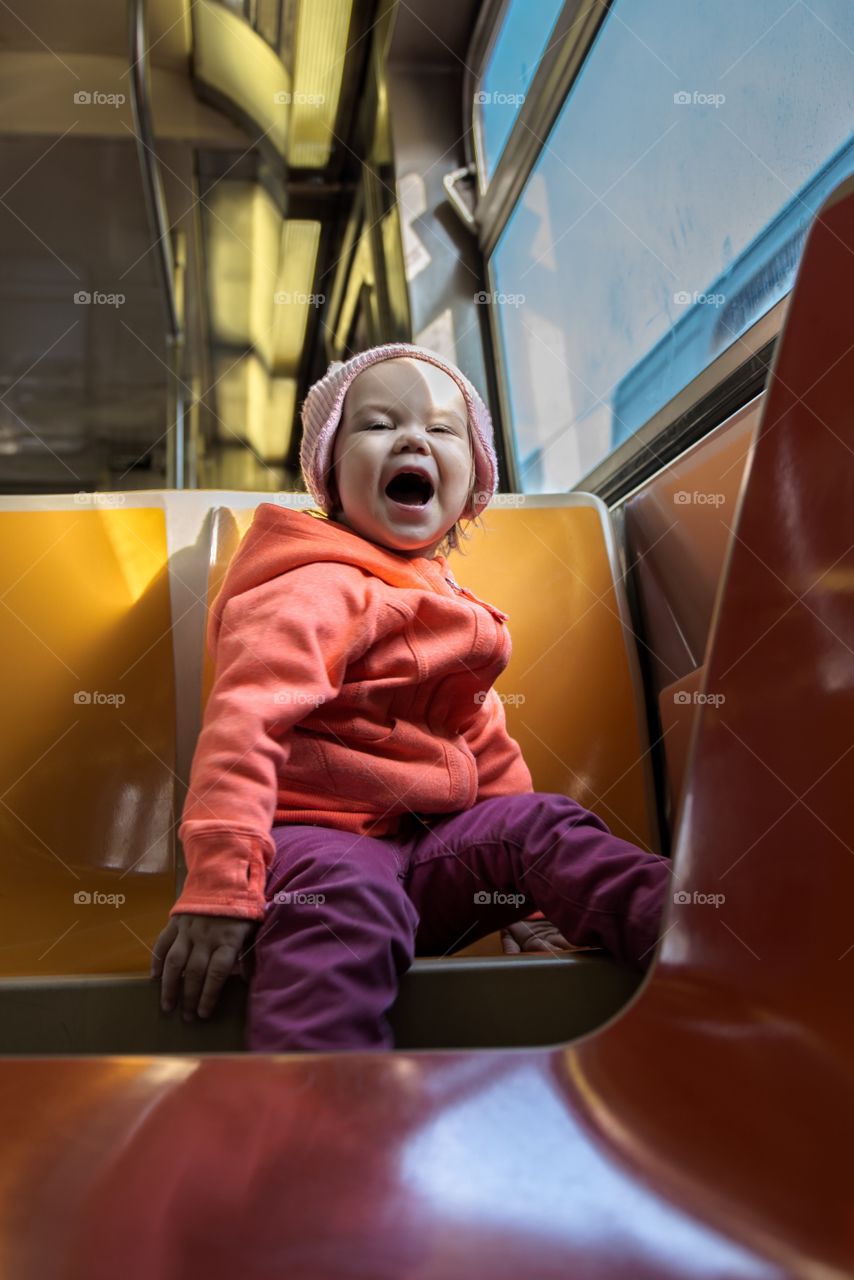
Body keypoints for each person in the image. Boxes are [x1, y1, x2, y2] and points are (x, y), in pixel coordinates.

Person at [151, 343, 670, 1051]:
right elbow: (246, 723)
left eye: (442, 429)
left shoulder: (452, 606)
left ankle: (712, 947)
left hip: (422, 862)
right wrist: (220, 884)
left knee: (547, 824)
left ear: (471, 485)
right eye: (377, 424)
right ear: (330, 474)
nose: (412, 437)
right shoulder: (311, 584)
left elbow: (481, 741)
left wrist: (522, 899)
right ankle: (316, 1108)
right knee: (346, 897)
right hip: (313, 851)